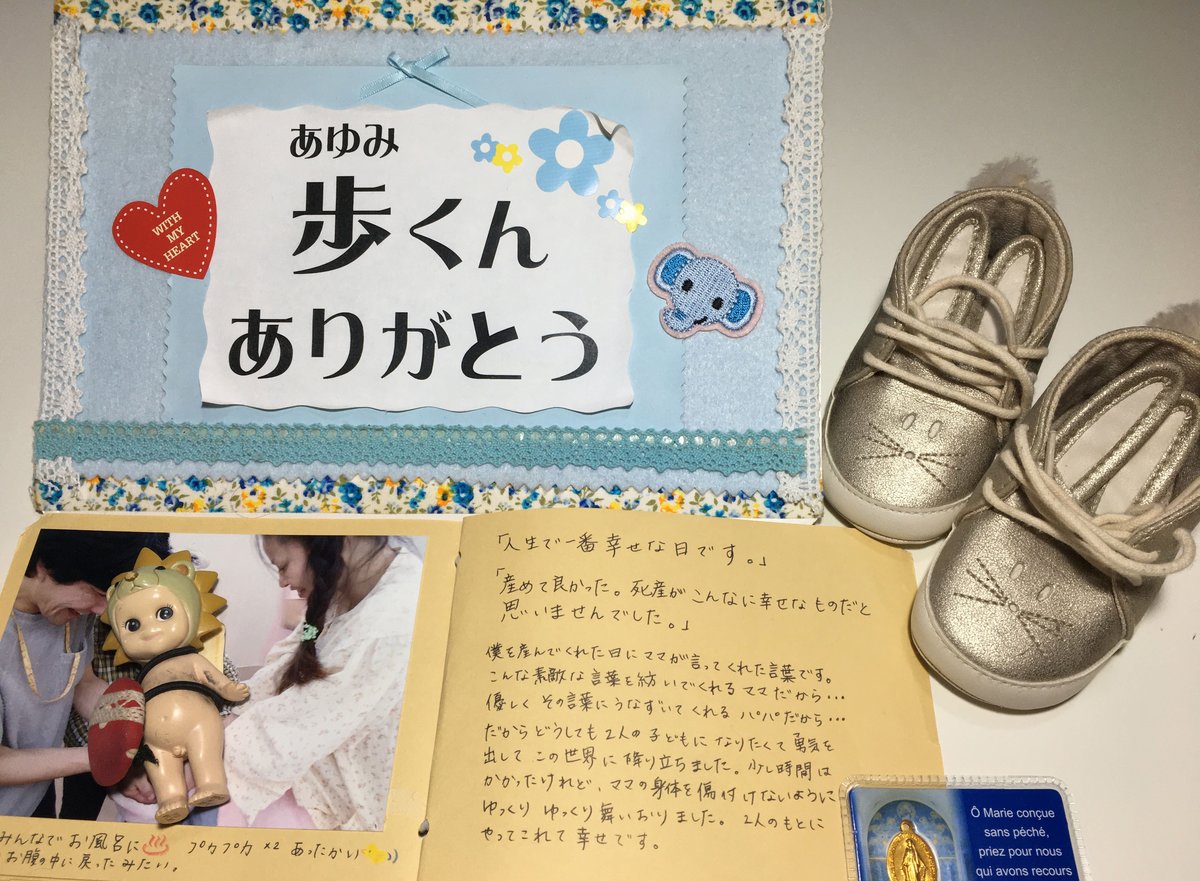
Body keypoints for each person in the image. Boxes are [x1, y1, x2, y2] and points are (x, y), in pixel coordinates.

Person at [219, 534, 422, 831]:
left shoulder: (389, 624)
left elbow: (292, 730)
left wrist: (212, 736)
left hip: (378, 807)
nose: (283, 582)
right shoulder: (346, 591)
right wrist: (232, 709)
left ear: (333, 541)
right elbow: (287, 664)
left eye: (283, 566)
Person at [0, 529, 168, 818]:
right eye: (97, 593)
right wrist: (107, 758)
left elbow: (82, 683)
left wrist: (146, 728)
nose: (101, 609)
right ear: (42, 566)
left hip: (35, 785)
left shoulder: (71, 611)